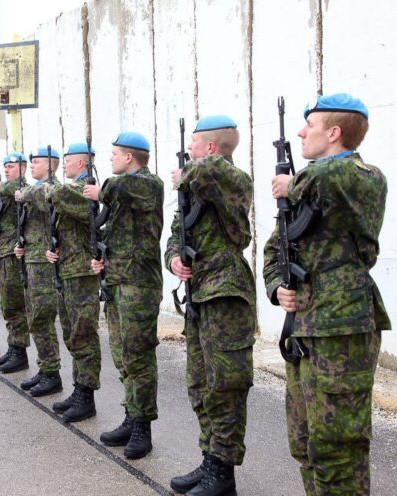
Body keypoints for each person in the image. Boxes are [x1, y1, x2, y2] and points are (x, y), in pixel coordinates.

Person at [264, 93, 390, 495]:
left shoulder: (361, 178)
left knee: (339, 445)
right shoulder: (310, 189)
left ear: (335, 132)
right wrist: (277, 287)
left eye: (311, 126)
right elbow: (274, 249)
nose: (301, 131)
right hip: (303, 328)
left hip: (343, 329)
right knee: (305, 442)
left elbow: (334, 179)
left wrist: (293, 181)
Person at [165, 116, 255, 495]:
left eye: (195, 143)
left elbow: (213, 169)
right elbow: (174, 233)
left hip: (225, 292)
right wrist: (174, 259)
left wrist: (188, 170)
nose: (189, 148)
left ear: (212, 147)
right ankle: (210, 460)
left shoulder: (230, 179)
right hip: (199, 292)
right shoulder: (194, 189)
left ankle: (224, 472)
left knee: (226, 386)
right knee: (200, 384)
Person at [83, 132, 163, 457]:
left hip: (139, 285)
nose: (111, 159)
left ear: (129, 157)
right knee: (122, 354)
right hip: (117, 283)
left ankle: (143, 426)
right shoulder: (120, 197)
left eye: (115, 154)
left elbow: (119, 188)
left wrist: (98, 189)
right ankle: (131, 415)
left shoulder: (147, 184)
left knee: (139, 355)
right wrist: (102, 257)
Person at [45, 142, 102, 423]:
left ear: (82, 164)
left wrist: (48, 188)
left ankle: (87, 395)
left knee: (84, 334)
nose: (63, 164)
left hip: (82, 272)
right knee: (71, 333)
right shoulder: (70, 191)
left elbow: (60, 195)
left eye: (68, 160)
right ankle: (79, 388)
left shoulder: (85, 190)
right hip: (67, 269)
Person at [14, 146, 64, 397]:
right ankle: (45, 368)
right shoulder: (32, 190)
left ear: (51, 164)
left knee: (42, 317)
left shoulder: (53, 189)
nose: (31, 165)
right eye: (31, 161)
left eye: (37, 161)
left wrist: (23, 193)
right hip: (32, 259)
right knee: (34, 316)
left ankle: (52, 372)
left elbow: (40, 200)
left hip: (45, 263)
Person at [0, 153, 30, 373]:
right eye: (5, 166)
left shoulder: (21, 189)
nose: (7, 170)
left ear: (23, 169)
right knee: (8, 305)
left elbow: (11, 192)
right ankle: (14, 347)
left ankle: (20, 350)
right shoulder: (5, 190)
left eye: (11, 166)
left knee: (15, 305)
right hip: (3, 252)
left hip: (15, 255)